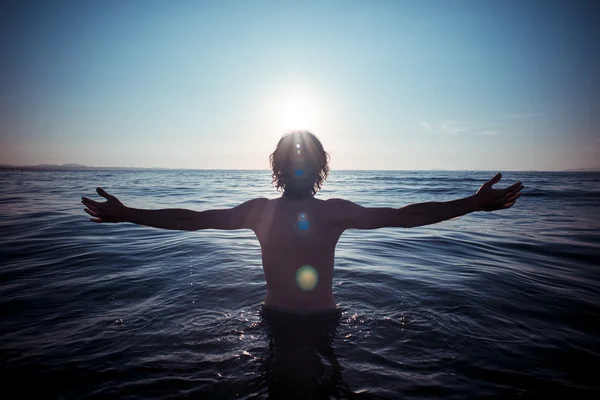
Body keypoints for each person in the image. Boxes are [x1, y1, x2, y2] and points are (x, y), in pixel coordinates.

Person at [82, 130, 523, 314]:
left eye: (302, 160)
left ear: (317, 169)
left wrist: (472, 204)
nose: (297, 167)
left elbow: (409, 216)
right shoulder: (275, 212)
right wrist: (127, 215)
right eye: (291, 160)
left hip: (302, 322)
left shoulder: (306, 212)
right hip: (288, 322)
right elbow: (192, 219)